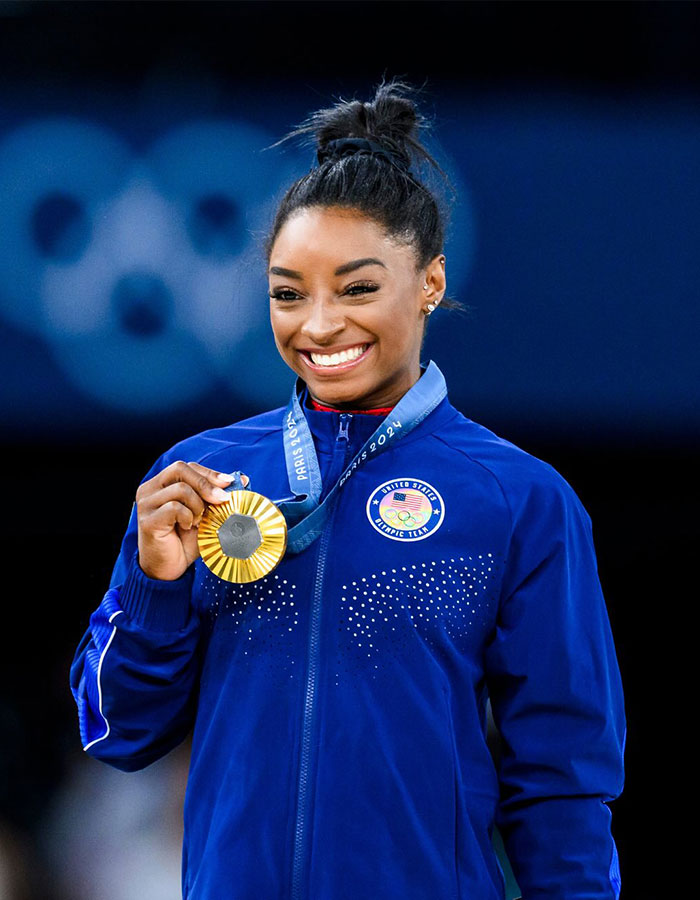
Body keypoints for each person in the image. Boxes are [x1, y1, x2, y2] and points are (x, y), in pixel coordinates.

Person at [70, 77, 626, 900]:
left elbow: (565, 781)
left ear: (430, 282)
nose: (320, 324)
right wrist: (154, 588)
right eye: (288, 294)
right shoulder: (198, 478)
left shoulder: (519, 499)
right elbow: (116, 731)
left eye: (358, 288)